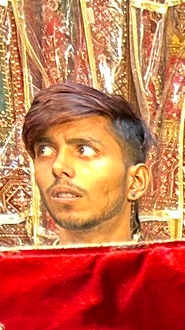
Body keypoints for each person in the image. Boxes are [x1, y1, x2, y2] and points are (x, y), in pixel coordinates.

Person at [21, 82, 153, 247]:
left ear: (136, 182)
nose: (58, 166)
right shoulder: (13, 272)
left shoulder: (163, 273)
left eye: (84, 150)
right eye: (45, 150)